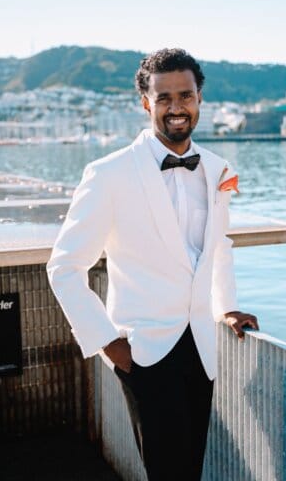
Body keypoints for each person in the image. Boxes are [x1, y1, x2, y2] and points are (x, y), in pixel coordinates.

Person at [46, 48, 259, 481]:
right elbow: (65, 266)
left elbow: (219, 247)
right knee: (167, 472)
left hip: (201, 346)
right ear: (146, 103)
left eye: (186, 96)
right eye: (164, 98)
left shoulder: (217, 169)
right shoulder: (108, 173)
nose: (176, 107)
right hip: (142, 351)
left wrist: (226, 307)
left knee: (190, 468)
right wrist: (109, 344)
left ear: (200, 99)